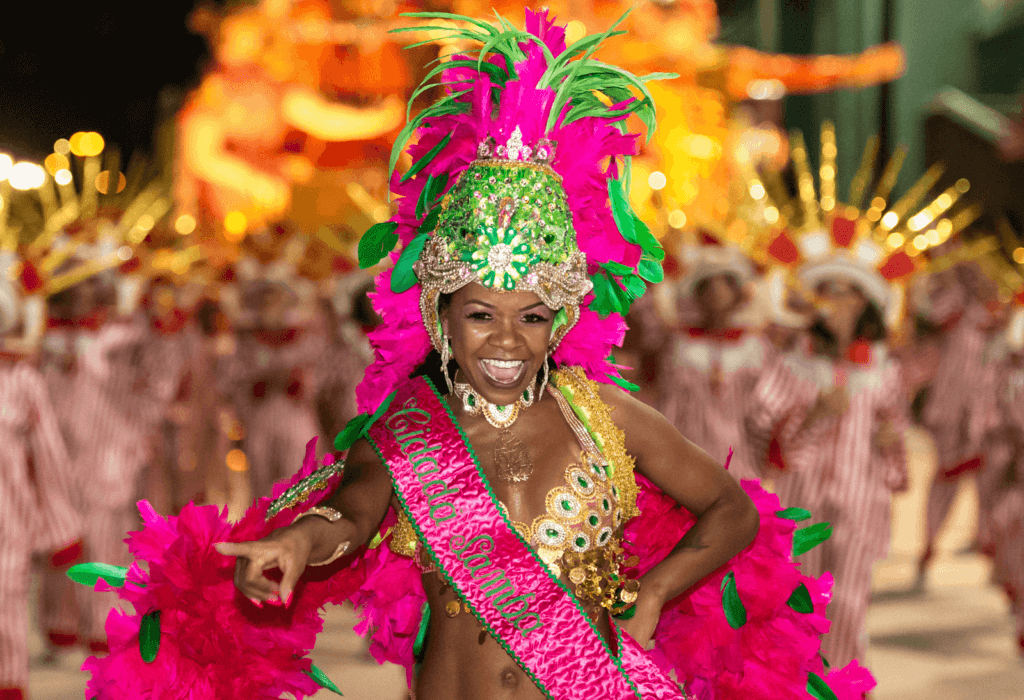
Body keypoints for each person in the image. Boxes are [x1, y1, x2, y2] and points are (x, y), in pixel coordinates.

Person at [76, 11, 876, 700]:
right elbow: (349, 519)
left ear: (560, 321)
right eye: (480, 314)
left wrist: (660, 593)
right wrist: (295, 544)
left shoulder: (608, 419)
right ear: (440, 315)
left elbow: (732, 509)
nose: (505, 339)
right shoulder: (410, 429)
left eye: (530, 316)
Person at [750, 254, 910, 670]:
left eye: (844, 291)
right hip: (803, 502)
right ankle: (800, 681)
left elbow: (897, 439)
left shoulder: (884, 370)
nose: (833, 302)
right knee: (798, 597)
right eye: (825, 290)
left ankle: (839, 682)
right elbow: (769, 443)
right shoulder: (792, 365)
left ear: (865, 303)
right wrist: (815, 416)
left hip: (861, 503)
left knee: (849, 603)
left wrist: (892, 439)